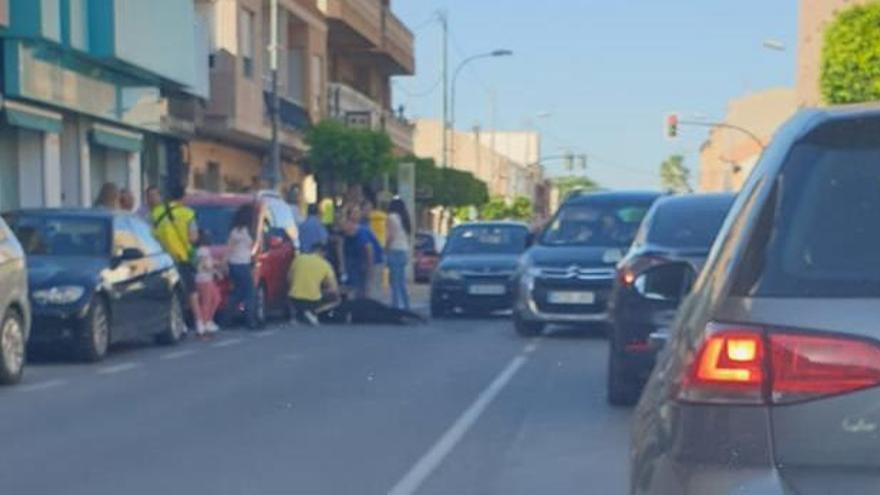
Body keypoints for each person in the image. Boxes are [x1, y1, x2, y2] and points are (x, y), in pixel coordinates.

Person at [151, 185, 201, 334]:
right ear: (183, 197)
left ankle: (179, 323)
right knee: (190, 291)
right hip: (182, 257)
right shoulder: (187, 213)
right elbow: (193, 237)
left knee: (172, 293)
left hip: (162, 259)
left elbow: (153, 236)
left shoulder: (156, 213)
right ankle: (199, 323)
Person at [287, 242, 340, 326]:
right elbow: (333, 288)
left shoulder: (298, 259)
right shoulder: (325, 264)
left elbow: (289, 279)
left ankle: (296, 315)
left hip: (294, 299)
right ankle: (313, 312)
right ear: (323, 252)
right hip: (313, 301)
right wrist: (322, 289)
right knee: (336, 299)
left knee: (293, 293)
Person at [226, 204, 258, 329]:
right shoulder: (245, 232)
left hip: (234, 264)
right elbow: (231, 248)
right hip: (243, 264)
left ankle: (227, 319)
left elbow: (230, 249)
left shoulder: (236, 231)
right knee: (249, 293)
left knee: (238, 292)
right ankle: (250, 321)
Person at [386, 198, 412, 310]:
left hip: (394, 250)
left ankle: (395, 305)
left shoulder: (391, 217)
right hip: (403, 251)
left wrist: (385, 247)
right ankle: (406, 305)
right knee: (401, 281)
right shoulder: (404, 219)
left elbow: (390, 235)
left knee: (394, 281)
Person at [194, 231, 222, 337]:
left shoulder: (202, 251)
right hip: (204, 279)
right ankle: (204, 324)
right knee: (207, 302)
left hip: (206, 278)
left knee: (216, 298)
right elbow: (205, 265)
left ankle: (208, 320)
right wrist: (216, 268)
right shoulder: (203, 251)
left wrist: (215, 269)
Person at [341, 216, 374, 299]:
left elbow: (369, 250)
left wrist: (370, 267)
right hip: (355, 263)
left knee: (365, 288)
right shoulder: (346, 235)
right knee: (356, 287)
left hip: (366, 262)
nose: (345, 230)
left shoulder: (361, 233)